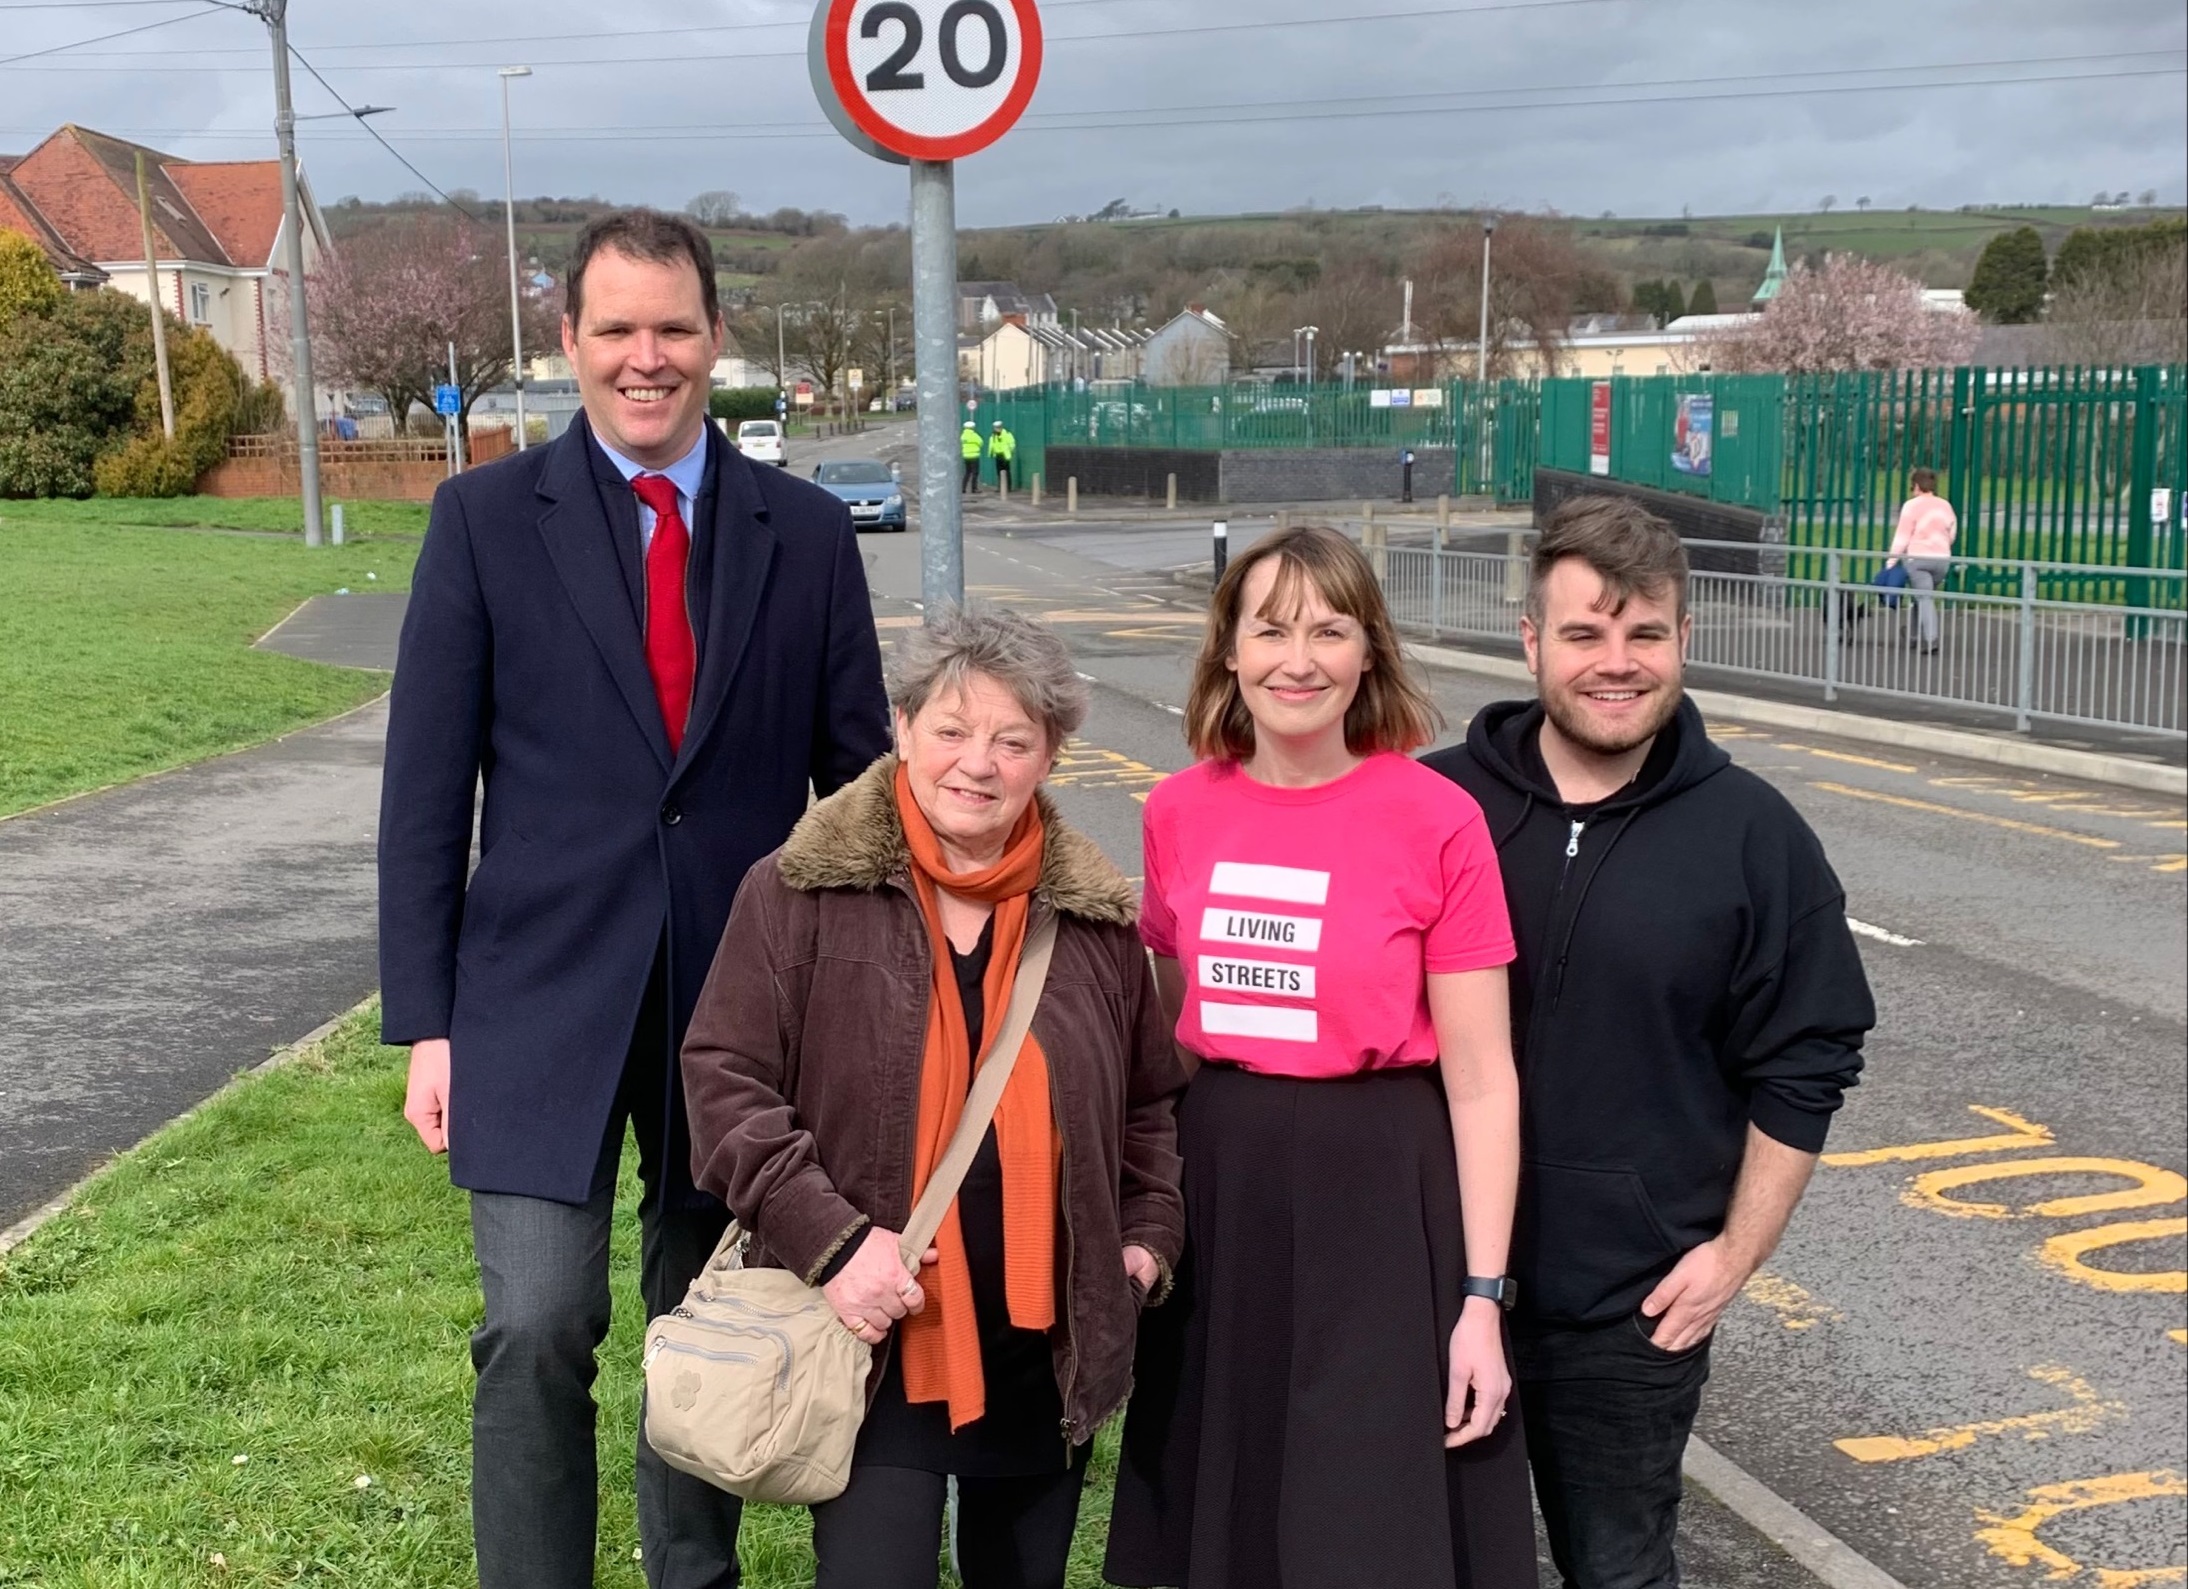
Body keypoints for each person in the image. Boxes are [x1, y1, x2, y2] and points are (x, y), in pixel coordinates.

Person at [378, 208, 891, 1589]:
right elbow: (427, 794)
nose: (646, 358)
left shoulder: (807, 532)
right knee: (539, 1320)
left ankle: (692, 1576)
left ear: (717, 336)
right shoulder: (484, 521)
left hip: (738, 1009)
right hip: (532, 1002)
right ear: (569, 343)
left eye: (674, 328)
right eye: (616, 330)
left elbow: (861, 788)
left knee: (697, 1317)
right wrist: (426, 1019)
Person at [680, 605, 1187, 1589]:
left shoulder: (1092, 922)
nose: (978, 762)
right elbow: (724, 1081)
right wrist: (831, 1241)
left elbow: (1147, 1107)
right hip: (871, 1329)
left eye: (1013, 739)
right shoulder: (796, 893)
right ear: (902, 728)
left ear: (1050, 755)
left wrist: (1142, 1243)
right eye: (951, 730)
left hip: (1044, 1346)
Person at [1423, 496, 1874, 1589]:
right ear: (1530, 640)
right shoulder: (1432, 803)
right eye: (1583, 632)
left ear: (1685, 640)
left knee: (1616, 1572)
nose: (1614, 662)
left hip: (1627, 1314)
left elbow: (1808, 1057)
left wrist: (1732, 1257)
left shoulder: (1752, 835)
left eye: (1645, 634)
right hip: (1422, 1280)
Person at [1107, 524, 1537, 1589]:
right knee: (1231, 1504)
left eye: (1328, 629)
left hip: (1381, 1188)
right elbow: (1165, 1034)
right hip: (1225, 1181)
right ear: (1229, 653)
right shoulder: (1177, 810)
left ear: (1366, 653)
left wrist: (1481, 1298)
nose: (1298, 657)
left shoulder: (1439, 818)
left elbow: (1483, 1082)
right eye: (1271, 628)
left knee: (1367, 1510)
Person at [1886, 466, 1957, 653]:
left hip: (1918, 559)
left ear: (1916, 485)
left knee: (1924, 597)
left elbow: (1902, 536)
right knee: (1921, 595)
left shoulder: (1911, 506)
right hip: (1942, 560)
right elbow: (1951, 533)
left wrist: (1891, 562)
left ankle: (1931, 638)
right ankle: (1912, 634)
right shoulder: (1945, 505)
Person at [990, 419, 1016, 492]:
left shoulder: (1007, 434)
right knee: (999, 472)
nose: (996, 429)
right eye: (995, 427)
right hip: (998, 455)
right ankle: (1001, 487)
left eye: (998, 427)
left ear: (1001, 427)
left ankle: (1008, 487)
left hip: (1005, 455)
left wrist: (1009, 451)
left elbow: (1012, 444)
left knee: (1006, 471)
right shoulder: (993, 435)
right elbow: (992, 445)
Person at [961, 420, 985, 494]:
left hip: (965, 456)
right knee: (975, 473)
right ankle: (974, 488)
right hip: (974, 456)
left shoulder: (963, 436)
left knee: (967, 472)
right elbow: (981, 442)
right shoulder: (974, 435)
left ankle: (963, 488)